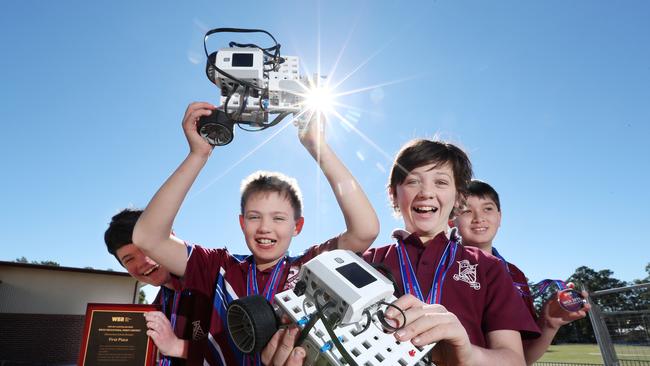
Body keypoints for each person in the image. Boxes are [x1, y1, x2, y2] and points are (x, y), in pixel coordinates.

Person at [132, 103, 379, 365]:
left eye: (279, 218)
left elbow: (365, 230)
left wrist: (318, 147)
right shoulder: (218, 267)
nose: (264, 228)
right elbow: (148, 237)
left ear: (298, 226)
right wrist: (198, 155)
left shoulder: (310, 268)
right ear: (241, 223)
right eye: (254, 216)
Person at [361, 138, 540, 365]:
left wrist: (466, 353)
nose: (426, 192)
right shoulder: (367, 262)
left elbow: (514, 360)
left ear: (459, 197)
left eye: (441, 182)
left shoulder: (488, 267)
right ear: (393, 195)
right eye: (413, 181)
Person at [454, 179, 591, 364]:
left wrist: (549, 324)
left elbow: (522, 359)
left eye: (488, 208)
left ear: (500, 216)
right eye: (466, 210)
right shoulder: (443, 265)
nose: (479, 217)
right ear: (451, 218)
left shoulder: (515, 275)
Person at [104, 208, 211, 365]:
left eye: (145, 249)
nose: (142, 263)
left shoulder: (215, 283)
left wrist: (177, 347)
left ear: (172, 238)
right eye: (129, 259)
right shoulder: (156, 306)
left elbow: (244, 353)